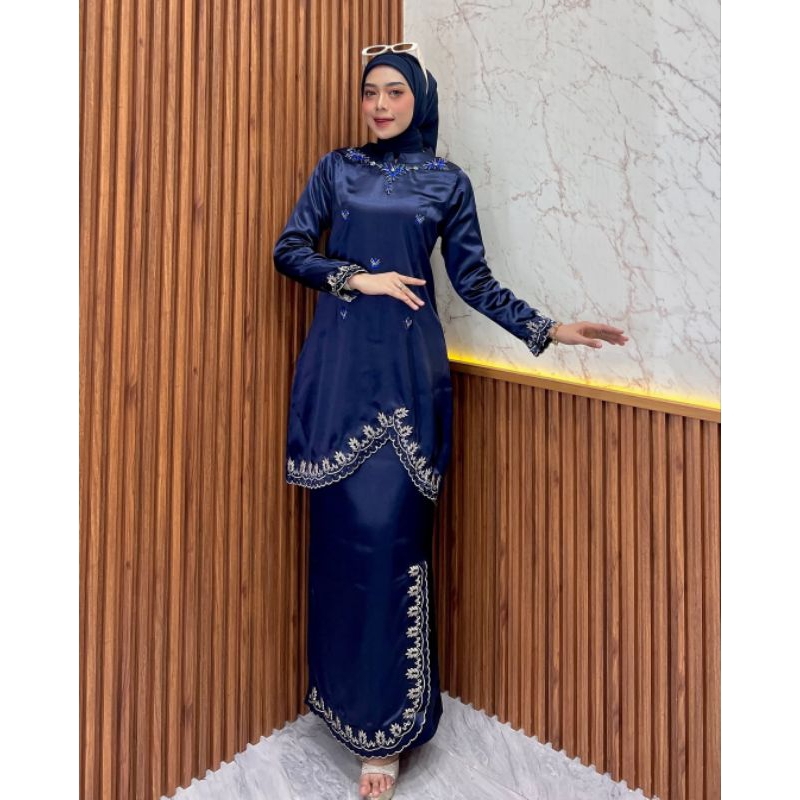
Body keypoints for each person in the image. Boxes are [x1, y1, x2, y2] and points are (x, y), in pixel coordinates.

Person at [273, 42, 627, 800]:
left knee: (392, 548)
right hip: (338, 378)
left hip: (407, 383)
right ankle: (341, 707)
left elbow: (472, 280)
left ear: (420, 99)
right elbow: (289, 250)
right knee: (338, 551)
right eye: (370, 92)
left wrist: (549, 328)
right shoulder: (336, 171)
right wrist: (357, 277)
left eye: (394, 91)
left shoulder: (446, 181)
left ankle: (388, 734)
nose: (379, 105)